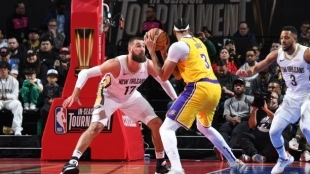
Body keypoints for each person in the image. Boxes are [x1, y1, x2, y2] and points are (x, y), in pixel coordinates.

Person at [60, 37, 178, 174]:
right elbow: (85, 72)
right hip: (108, 96)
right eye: (138, 46)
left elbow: (163, 81)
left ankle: (161, 163)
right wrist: (76, 91)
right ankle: (72, 161)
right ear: (129, 49)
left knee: (156, 123)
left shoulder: (148, 64)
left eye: (144, 47)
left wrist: (175, 99)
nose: (142, 49)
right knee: (96, 127)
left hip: (130, 97)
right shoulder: (116, 64)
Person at [144, 17, 247, 174]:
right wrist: (164, 54)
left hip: (198, 86)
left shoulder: (178, 46)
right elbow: (178, 75)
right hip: (214, 87)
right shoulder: (199, 43)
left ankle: (177, 169)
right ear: (189, 29)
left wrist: (152, 51)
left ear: (173, 31)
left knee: (166, 128)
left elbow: (163, 77)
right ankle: (234, 161)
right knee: (204, 127)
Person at [236, 26, 310, 174]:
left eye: (287, 37)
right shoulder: (277, 54)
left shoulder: (306, 53)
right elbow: (257, 67)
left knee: (306, 127)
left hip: (307, 95)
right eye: (281, 38)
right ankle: (284, 158)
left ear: (294, 38)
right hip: (291, 97)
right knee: (274, 132)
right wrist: (247, 72)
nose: (283, 40)